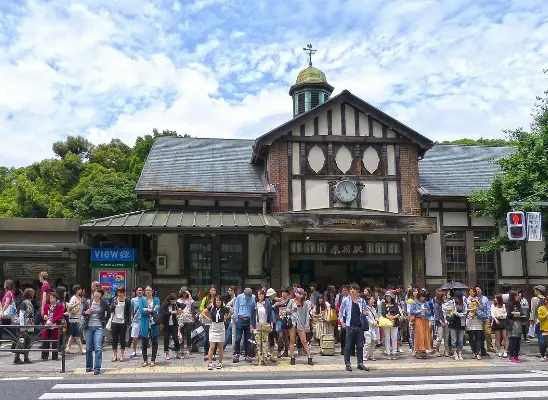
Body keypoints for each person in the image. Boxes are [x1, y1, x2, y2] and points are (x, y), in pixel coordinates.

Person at [339, 283, 368, 372]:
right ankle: (347, 363)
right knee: (348, 346)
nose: (352, 290)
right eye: (351, 289)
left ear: (357, 291)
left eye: (354, 289)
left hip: (359, 325)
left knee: (360, 345)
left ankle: (360, 363)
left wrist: (365, 313)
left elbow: (365, 311)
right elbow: (341, 312)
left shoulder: (362, 301)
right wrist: (342, 322)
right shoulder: (346, 300)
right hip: (350, 325)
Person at [83, 288, 110, 375]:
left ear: (101, 294)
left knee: (98, 347)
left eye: (98, 292)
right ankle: (88, 366)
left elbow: (109, 313)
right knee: (88, 348)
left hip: (99, 327)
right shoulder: (88, 302)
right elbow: (82, 312)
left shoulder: (104, 303)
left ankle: (97, 368)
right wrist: (86, 312)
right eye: (95, 292)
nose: (96, 293)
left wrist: (104, 322)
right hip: (88, 327)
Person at [202, 295, 230, 370]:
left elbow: (231, 312)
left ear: (221, 301)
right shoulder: (211, 307)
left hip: (221, 327)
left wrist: (226, 317)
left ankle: (220, 362)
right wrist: (208, 319)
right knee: (212, 346)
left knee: (220, 346)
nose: (218, 302)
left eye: (219, 300)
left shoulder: (224, 308)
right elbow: (203, 312)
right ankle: (210, 362)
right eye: (217, 300)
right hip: (213, 327)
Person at [288, 288, 314, 366]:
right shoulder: (292, 301)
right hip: (293, 322)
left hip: (301, 323)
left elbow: (306, 315)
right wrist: (292, 310)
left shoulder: (305, 303)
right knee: (292, 340)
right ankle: (292, 357)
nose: (299, 296)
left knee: (304, 341)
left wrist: (307, 326)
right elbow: (286, 310)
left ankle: (309, 357)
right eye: (297, 294)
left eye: (300, 295)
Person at [139, 286, 160, 367]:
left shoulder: (156, 299)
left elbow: (157, 310)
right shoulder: (142, 300)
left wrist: (147, 309)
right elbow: (141, 311)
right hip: (145, 322)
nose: (148, 291)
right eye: (147, 290)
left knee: (154, 341)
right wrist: (150, 310)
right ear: (144, 291)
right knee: (144, 342)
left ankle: (153, 360)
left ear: (152, 291)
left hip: (154, 323)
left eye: (149, 290)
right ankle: (145, 360)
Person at [232, 287, 256, 363]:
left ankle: (247, 355)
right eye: (247, 296)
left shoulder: (253, 298)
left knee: (247, 339)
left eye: (249, 296)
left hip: (249, 320)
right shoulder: (239, 297)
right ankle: (236, 354)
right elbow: (236, 307)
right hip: (240, 319)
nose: (248, 298)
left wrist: (253, 322)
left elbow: (254, 310)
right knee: (238, 338)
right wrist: (236, 317)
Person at [14, 288, 35, 365]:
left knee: (28, 342)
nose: (34, 295)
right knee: (21, 341)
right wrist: (22, 326)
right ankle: (17, 357)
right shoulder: (24, 303)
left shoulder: (29, 303)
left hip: (29, 325)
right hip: (25, 326)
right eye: (32, 293)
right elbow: (22, 314)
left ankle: (26, 357)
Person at [252, 289, 273, 366]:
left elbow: (270, 315)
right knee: (258, 343)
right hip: (257, 326)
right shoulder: (254, 304)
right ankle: (259, 359)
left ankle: (265, 358)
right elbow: (252, 316)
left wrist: (271, 323)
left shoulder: (267, 304)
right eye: (259, 294)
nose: (260, 296)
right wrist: (251, 325)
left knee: (265, 343)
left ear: (264, 295)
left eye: (262, 294)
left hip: (265, 325)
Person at [110, 286, 131, 362]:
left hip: (123, 322)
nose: (119, 293)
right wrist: (113, 305)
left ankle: (122, 355)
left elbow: (129, 312)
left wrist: (128, 323)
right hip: (114, 321)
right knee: (114, 339)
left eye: (121, 292)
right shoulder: (114, 299)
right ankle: (115, 355)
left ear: (124, 292)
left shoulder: (127, 300)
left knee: (122, 339)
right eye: (118, 292)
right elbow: (110, 310)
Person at [41, 292, 64, 361]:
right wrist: (45, 316)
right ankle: (45, 356)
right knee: (45, 339)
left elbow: (60, 315)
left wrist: (53, 321)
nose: (52, 299)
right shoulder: (47, 306)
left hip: (55, 324)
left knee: (54, 340)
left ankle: (55, 356)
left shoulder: (60, 306)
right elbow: (45, 314)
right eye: (51, 297)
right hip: (47, 324)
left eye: (53, 297)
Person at [410, 289, 432, 359]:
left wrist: (426, 311)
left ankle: (424, 350)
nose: (422, 298)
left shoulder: (426, 303)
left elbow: (430, 312)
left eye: (423, 296)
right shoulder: (414, 303)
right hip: (418, 320)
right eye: (421, 296)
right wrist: (419, 311)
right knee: (419, 335)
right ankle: (418, 351)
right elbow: (412, 311)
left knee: (425, 335)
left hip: (425, 320)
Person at [161, 293, 182, 360]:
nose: (174, 302)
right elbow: (163, 313)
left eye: (175, 300)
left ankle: (178, 352)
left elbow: (183, 305)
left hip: (174, 324)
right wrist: (172, 312)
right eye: (173, 300)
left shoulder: (175, 304)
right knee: (166, 339)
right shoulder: (164, 305)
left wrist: (179, 310)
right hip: (166, 325)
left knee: (176, 339)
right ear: (170, 299)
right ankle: (167, 353)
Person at [200, 285, 218, 362]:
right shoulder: (206, 298)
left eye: (214, 290)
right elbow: (201, 308)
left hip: (216, 320)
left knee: (215, 338)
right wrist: (207, 310)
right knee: (207, 337)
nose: (213, 292)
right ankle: (207, 352)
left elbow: (222, 307)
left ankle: (213, 353)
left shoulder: (218, 298)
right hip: (207, 320)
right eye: (212, 290)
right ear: (209, 291)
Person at [465, 287, 485, 360]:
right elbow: (464, 309)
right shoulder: (466, 300)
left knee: (478, 337)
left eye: (473, 291)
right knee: (471, 337)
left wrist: (477, 302)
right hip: (470, 319)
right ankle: (473, 352)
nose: (472, 293)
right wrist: (470, 309)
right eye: (470, 291)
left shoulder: (478, 299)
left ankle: (477, 353)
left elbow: (482, 308)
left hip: (478, 319)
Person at [65, 284, 85, 355]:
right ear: (77, 290)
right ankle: (81, 349)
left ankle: (68, 348)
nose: (81, 290)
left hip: (78, 317)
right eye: (80, 289)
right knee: (77, 334)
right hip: (74, 318)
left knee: (73, 334)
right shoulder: (73, 298)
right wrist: (77, 304)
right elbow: (69, 307)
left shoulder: (79, 297)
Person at [381, 291, 400, 360]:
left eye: (389, 296)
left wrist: (393, 317)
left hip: (395, 322)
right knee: (387, 338)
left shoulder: (395, 304)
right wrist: (389, 317)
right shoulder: (383, 304)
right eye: (386, 296)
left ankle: (394, 352)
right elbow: (383, 313)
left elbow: (398, 313)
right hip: (387, 322)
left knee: (394, 338)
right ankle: (388, 353)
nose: (387, 298)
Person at [475, 286, 494, 355]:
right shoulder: (473, 299)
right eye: (476, 290)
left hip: (485, 318)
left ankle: (490, 346)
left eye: (479, 289)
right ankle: (480, 348)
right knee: (479, 335)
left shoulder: (485, 298)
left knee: (488, 332)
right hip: (477, 319)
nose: (478, 291)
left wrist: (489, 317)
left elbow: (488, 308)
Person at [448, 291, 467, 360]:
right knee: (454, 340)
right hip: (453, 323)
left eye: (457, 298)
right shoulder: (452, 303)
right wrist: (456, 313)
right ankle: (455, 353)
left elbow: (465, 312)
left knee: (461, 340)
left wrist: (458, 314)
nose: (456, 299)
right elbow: (451, 312)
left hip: (461, 323)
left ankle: (460, 353)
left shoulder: (464, 304)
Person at [507, 290, 523, 363]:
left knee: (518, 341)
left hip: (518, 323)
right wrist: (514, 314)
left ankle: (516, 355)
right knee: (513, 341)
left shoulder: (518, 303)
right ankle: (511, 356)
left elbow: (521, 313)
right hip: (512, 324)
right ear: (513, 296)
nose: (518, 297)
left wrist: (517, 313)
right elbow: (508, 314)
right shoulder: (509, 304)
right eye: (516, 295)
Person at [177, 287, 194, 355]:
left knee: (188, 334)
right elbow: (177, 308)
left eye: (185, 292)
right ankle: (181, 348)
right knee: (181, 334)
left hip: (189, 318)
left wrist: (189, 296)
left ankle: (189, 348)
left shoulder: (190, 300)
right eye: (183, 292)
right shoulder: (179, 300)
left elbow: (193, 309)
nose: (184, 294)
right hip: (181, 318)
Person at [129, 286, 144, 358]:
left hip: (144, 320)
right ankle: (134, 351)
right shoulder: (133, 300)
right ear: (136, 292)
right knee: (134, 336)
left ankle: (143, 350)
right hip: (136, 320)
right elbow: (131, 310)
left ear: (143, 292)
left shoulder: (145, 299)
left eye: (141, 290)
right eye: (138, 290)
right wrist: (131, 317)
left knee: (144, 336)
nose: (139, 291)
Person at [491, 293, 508, 358]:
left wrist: (500, 316)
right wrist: (496, 319)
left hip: (503, 321)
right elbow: (492, 314)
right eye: (494, 298)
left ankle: (505, 351)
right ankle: (499, 351)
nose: (495, 299)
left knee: (505, 337)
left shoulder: (503, 305)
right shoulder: (493, 306)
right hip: (496, 321)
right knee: (497, 338)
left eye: (496, 298)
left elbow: (505, 314)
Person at [364, 295, 379, 362]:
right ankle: (364, 355)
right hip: (368, 327)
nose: (373, 301)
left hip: (374, 328)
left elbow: (376, 316)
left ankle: (371, 355)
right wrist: (373, 323)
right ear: (368, 301)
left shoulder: (373, 308)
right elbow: (367, 318)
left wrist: (377, 321)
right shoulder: (365, 308)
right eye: (372, 299)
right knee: (368, 342)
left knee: (373, 342)